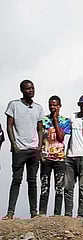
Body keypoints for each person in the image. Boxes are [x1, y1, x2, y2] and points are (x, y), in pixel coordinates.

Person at [6, 80, 44, 219]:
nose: (31, 90)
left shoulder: (38, 108)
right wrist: (14, 145)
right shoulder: (14, 105)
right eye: (28, 89)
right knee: (16, 180)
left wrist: (39, 147)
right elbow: (9, 126)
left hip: (33, 150)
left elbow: (40, 128)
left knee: (32, 181)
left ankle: (34, 212)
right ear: (22, 90)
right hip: (19, 149)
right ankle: (10, 212)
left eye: (32, 88)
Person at [39, 96, 70, 217]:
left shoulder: (65, 121)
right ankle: (42, 213)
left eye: (55, 105)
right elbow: (40, 137)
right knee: (44, 186)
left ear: (59, 106)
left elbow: (61, 137)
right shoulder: (43, 120)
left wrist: (56, 120)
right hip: (46, 157)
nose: (52, 107)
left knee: (59, 188)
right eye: (50, 105)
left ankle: (57, 214)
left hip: (60, 159)